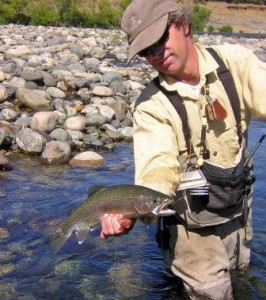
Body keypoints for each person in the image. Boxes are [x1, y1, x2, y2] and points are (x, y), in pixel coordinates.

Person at [100, 0, 266, 299]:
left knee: (240, 275)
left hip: (239, 212)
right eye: (146, 51)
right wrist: (131, 213)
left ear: (184, 24)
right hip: (190, 230)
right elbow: (157, 169)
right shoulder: (151, 107)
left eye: (159, 41)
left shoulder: (235, 62)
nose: (156, 55)